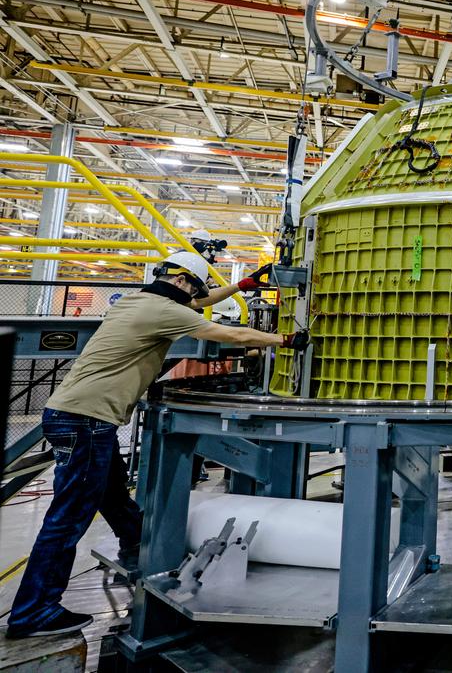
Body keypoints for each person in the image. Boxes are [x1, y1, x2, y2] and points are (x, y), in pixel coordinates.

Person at [5, 251, 306, 640]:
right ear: (181, 282)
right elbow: (230, 334)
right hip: (87, 421)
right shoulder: (165, 312)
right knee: (68, 518)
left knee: (112, 493)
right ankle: (34, 612)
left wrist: (241, 286)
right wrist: (285, 339)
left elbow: (197, 304)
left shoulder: (138, 301)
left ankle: (136, 545)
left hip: (70, 413)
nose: (195, 296)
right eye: (194, 288)